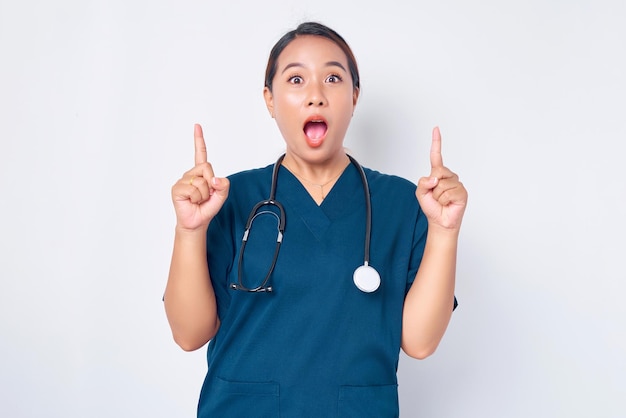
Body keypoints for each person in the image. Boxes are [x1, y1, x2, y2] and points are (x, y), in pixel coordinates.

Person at [164, 21, 467, 417]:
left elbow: (420, 342)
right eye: (296, 79)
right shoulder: (225, 199)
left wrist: (445, 230)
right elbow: (189, 335)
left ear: (354, 96)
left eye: (332, 77)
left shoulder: (405, 204)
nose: (315, 96)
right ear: (270, 100)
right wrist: (189, 230)